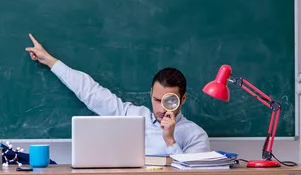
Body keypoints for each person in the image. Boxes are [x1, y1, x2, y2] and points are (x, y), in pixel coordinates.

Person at [25, 34, 210, 155]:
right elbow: (91, 93)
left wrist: (170, 140)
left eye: (170, 101)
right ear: (150, 94)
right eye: (156, 100)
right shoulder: (134, 117)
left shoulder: (195, 135)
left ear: (183, 99)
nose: (161, 108)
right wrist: (50, 61)